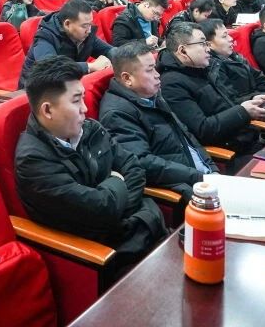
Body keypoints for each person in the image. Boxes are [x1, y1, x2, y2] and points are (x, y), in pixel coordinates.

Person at [15, 56, 166, 266]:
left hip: (142, 226)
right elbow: (100, 209)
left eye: (84, 99)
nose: (85, 109)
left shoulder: (90, 128)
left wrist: (117, 205)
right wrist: (117, 181)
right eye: (76, 101)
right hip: (105, 255)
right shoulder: (33, 161)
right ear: (47, 110)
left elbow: (134, 167)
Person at [99, 41, 217, 200]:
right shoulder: (117, 113)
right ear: (127, 78)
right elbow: (142, 162)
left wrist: (212, 168)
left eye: (155, 67)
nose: (157, 74)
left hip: (203, 178)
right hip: (185, 188)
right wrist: (199, 177)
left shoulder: (151, 96)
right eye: (150, 70)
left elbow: (187, 136)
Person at [159, 22, 265, 155]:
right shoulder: (171, 84)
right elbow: (203, 130)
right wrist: (243, 111)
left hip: (247, 138)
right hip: (230, 152)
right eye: (202, 44)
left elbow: (229, 102)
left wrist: (252, 100)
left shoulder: (204, 69)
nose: (208, 49)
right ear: (183, 51)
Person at [201, 19, 265, 131]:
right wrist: (256, 100)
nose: (231, 39)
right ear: (209, 45)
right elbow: (230, 101)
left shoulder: (235, 56)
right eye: (224, 36)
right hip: (254, 121)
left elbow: (261, 79)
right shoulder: (213, 68)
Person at [20, 0, 113, 87]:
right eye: (85, 26)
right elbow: (51, 69)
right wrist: (90, 66)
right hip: (37, 90)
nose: (89, 30)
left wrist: (119, 58)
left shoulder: (85, 35)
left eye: (90, 24)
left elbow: (109, 51)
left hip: (68, 83)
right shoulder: (45, 37)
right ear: (67, 24)